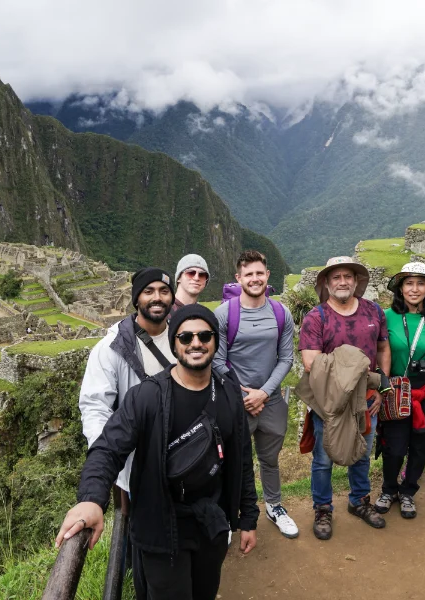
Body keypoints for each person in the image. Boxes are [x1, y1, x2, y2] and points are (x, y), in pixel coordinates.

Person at [57, 304, 259, 600]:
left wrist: (248, 518)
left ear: (215, 340)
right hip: (162, 526)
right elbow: (109, 448)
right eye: (185, 337)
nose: (196, 343)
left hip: (210, 524)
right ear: (174, 343)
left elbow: (241, 457)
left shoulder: (228, 390)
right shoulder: (147, 396)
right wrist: (91, 499)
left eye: (205, 335)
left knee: (205, 592)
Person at [299, 257, 390, 539]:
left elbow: (383, 349)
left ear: (356, 281)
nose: (342, 281)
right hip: (330, 402)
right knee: (324, 458)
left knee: (361, 452)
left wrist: (381, 385)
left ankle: (359, 501)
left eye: (347, 276)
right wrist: (354, 374)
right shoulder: (317, 318)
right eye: (336, 277)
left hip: (367, 399)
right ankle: (323, 508)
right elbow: (311, 364)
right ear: (326, 283)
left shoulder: (374, 311)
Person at [213, 250, 298, 538]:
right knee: (233, 460)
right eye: (248, 274)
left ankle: (274, 505)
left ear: (267, 275)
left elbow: (286, 358)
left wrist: (263, 393)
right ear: (238, 278)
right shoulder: (225, 314)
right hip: (236, 403)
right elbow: (217, 360)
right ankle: (228, 515)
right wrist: (243, 396)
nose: (255, 279)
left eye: (259, 273)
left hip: (270, 401)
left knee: (270, 459)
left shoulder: (280, 312)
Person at [79, 267, 176, 494]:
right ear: (136, 298)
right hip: (136, 466)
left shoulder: (183, 338)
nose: (157, 298)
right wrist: (107, 460)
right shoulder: (112, 348)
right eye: (148, 291)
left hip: (182, 461)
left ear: (172, 297)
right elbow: (95, 407)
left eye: (164, 291)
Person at [375, 262, 425, 519]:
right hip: (397, 388)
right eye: (409, 283)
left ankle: (408, 491)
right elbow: (378, 351)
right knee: (395, 447)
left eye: (420, 283)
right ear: (400, 288)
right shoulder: (386, 316)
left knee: (421, 445)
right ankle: (389, 489)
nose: (415, 289)